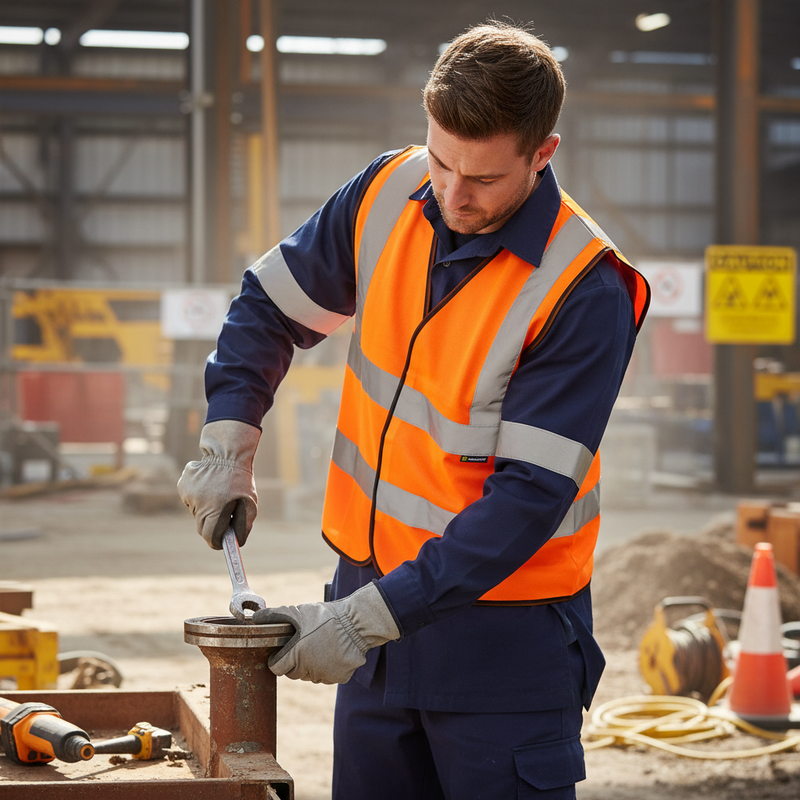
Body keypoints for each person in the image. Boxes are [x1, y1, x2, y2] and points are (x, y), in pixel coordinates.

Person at [178, 20, 650, 800]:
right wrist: (230, 439)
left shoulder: (584, 288)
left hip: (502, 648)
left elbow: (528, 501)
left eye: (484, 178)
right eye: (441, 160)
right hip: (373, 628)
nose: (453, 196)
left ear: (543, 153)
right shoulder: (387, 193)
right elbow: (267, 306)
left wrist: (362, 620)